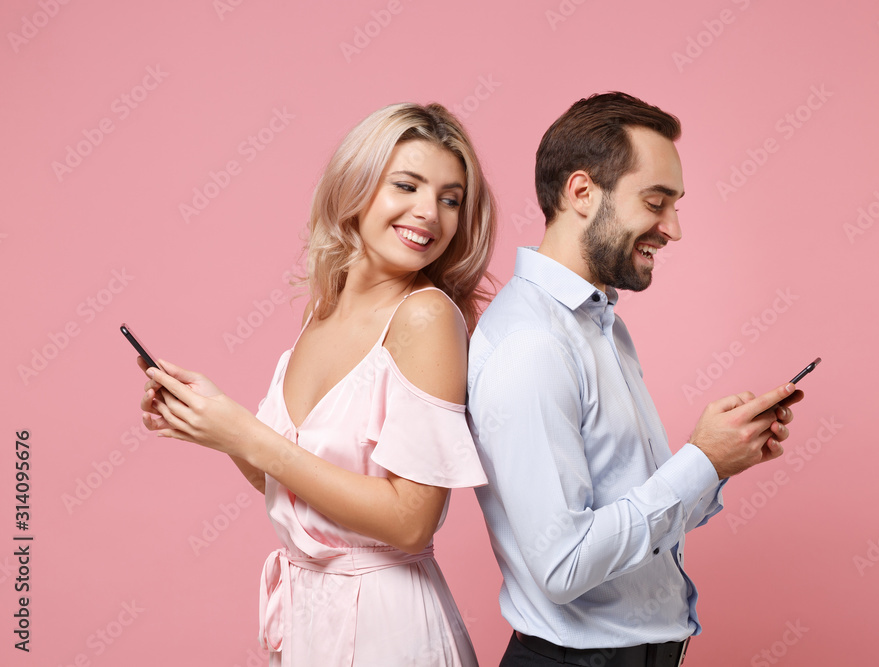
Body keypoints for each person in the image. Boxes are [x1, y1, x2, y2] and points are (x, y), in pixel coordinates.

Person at [138, 102, 497, 666]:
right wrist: (217, 424)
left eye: (450, 199)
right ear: (355, 187)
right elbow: (295, 486)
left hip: (388, 631)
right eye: (406, 186)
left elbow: (411, 521)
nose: (429, 212)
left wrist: (246, 434)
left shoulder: (424, 317)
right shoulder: (323, 312)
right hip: (309, 623)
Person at [466, 92, 805, 667]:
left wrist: (719, 460)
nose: (673, 229)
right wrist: (701, 460)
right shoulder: (532, 344)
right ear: (581, 192)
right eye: (655, 202)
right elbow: (564, 564)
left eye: (675, 205)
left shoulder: (601, 325)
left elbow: (634, 522)